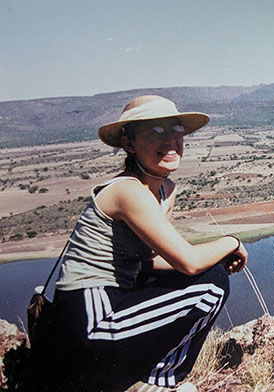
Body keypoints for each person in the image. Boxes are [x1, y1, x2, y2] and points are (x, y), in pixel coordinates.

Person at [38, 95, 247, 391]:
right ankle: (154, 381)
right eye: (156, 132)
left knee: (211, 272)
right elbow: (189, 262)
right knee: (211, 282)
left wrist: (216, 257)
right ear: (130, 143)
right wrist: (232, 242)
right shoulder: (127, 191)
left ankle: (145, 375)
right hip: (89, 320)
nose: (171, 140)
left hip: (116, 302)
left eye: (176, 130)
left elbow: (149, 260)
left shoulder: (165, 188)